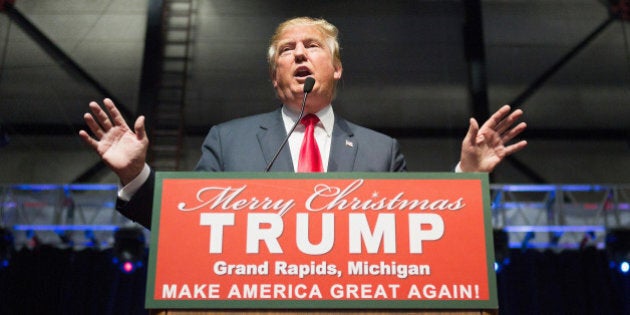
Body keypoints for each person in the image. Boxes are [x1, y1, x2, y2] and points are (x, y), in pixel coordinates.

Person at [79, 17, 527, 229]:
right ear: (275, 77)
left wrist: (468, 175)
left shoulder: (380, 150)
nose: (298, 53)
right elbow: (186, 223)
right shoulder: (228, 140)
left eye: (311, 46)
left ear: (336, 69)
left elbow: (418, 231)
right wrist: (134, 173)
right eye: (286, 50)